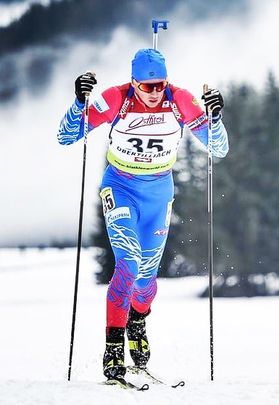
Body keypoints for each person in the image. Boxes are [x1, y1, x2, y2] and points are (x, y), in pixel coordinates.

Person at [57, 48, 229, 382]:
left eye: (159, 85)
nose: (154, 93)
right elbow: (67, 136)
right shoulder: (115, 99)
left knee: (146, 281)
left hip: (159, 193)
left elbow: (219, 149)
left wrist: (216, 119)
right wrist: (79, 103)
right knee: (128, 263)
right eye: (147, 86)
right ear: (134, 81)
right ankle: (113, 349)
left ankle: (137, 320)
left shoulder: (179, 100)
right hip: (120, 187)